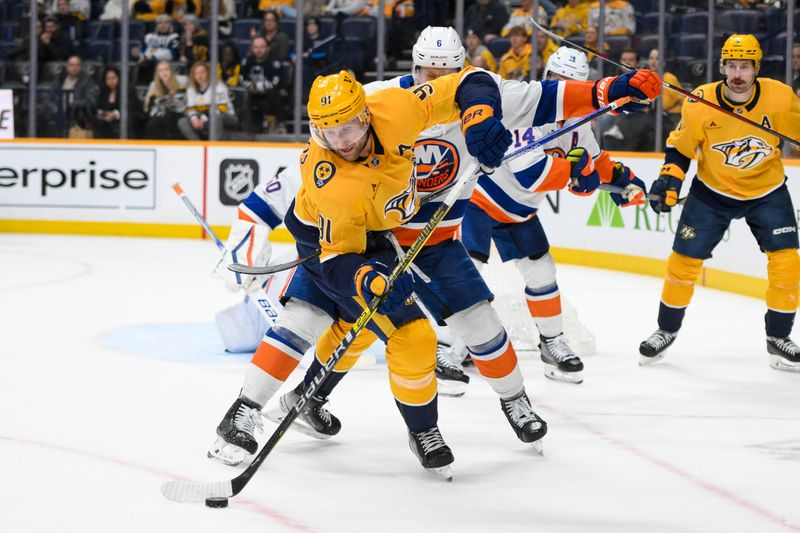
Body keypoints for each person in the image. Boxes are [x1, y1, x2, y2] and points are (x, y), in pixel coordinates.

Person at [207, 27, 661, 474]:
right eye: (428, 70)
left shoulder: (405, 104)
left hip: (436, 239)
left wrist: (608, 89)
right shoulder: (363, 115)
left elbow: (530, 96)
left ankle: (514, 400)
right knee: (323, 317)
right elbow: (300, 185)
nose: (436, 79)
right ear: (414, 67)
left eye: (447, 70)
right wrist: (252, 222)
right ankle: (260, 406)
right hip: (365, 241)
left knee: (476, 322)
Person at [461, 46, 646, 385]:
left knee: (542, 271)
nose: (564, 87)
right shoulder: (525, 109)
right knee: (468, 271)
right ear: (546, 77)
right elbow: (530, 174)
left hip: (520, 210)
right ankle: (449, 347)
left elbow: (597, 160)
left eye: (572, 83)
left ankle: (551, 343)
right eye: (558, 79)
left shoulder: (580, 122)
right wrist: (576, 172)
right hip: (481, 199)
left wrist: (625, 181)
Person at [639, 35, 800, 373]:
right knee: (682, 265)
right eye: (731, 65)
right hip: (711, 192)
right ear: (722, 66)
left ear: (757, 67)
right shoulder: (700, 101)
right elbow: (681, 148)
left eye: (745, 66)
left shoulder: (781, 97)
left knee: (787, 264)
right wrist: (668, 180)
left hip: (767, 191)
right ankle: (665, 329)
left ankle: (778, 338)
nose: (737, 73)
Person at [178, 62, 239, 140]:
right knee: (183, 121)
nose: (199, 76)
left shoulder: (219, 86)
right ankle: (198, 146)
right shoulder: (191, 89)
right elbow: (191, 108)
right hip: (206, 119)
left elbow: (220, 109)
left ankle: (213, 147)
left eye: (202, 72)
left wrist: (203, 118)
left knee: (216, 117)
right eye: (196, 73)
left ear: (208, 73)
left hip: (227, 118)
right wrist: (194, 119)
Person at [240, 36, 286, 133]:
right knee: (244, 95)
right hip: (252, 94)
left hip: (271, 95)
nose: (259, 50)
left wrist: (257, 86)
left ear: (268, 48)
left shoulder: (275, 62)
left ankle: (278, 123)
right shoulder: (247, 62)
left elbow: (275, 83)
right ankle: (247, 127)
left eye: (262, 47)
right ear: (252, 49)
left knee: (273, 94)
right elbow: (242, 79)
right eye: (256, 47)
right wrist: (251, 87)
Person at [55, 55, 98, 138]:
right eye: (71, 65)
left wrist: (74, 106)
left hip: (78, 119)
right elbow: (52, 96)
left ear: (81, 67)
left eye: (77, 65)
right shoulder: (60, 79)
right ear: (67, 67)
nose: (74, 68)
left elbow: (91, 100)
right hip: (60, 117)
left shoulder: (88, 81)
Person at [144, 60, 187, 139]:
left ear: (171, 70)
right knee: (152, 124)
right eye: (161, 70)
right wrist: (156, 113)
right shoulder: (153, 85)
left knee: (170, 119)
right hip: (161, 114)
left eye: (166, 69)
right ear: (157, 73)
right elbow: (147, 106)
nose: (164, 73)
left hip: (179, 113)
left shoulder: (183, 81)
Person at [133, 14, 180, 82]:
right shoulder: (149, 36)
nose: (162, 26)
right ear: (156, 25)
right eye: (160, 23)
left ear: (170, 25)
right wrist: (138, 54)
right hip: (146, 61)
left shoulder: (174, 37)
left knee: (149, 63)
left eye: (165, 23)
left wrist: (150, 57)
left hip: (162, 62)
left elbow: (171, 54)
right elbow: (143, 50)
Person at [93, 66, 122, 139]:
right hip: (104, 122)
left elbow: (130, 109)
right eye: (108, 78)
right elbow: (98, 107)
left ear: (119, 78)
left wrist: (115, 114)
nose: (111, 81)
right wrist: (101, 114)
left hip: (121, 121)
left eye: (113, 78)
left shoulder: (126, 91)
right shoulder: (103, 91)